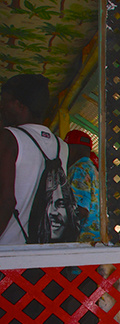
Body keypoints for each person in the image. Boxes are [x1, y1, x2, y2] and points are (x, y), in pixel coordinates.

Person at [0, 74, 70, 244]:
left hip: (9, 250)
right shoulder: (62, 146)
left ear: (18, 105)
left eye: (4, 100)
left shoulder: (9, 137)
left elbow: (6, 200)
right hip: (43, 249)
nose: (1, 106)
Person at [65, 129, 100, 242]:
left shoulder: (78, 170)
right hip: (97, 236)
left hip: (83, 238)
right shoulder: (92, 169)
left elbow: (80, 210)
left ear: (72, 149)